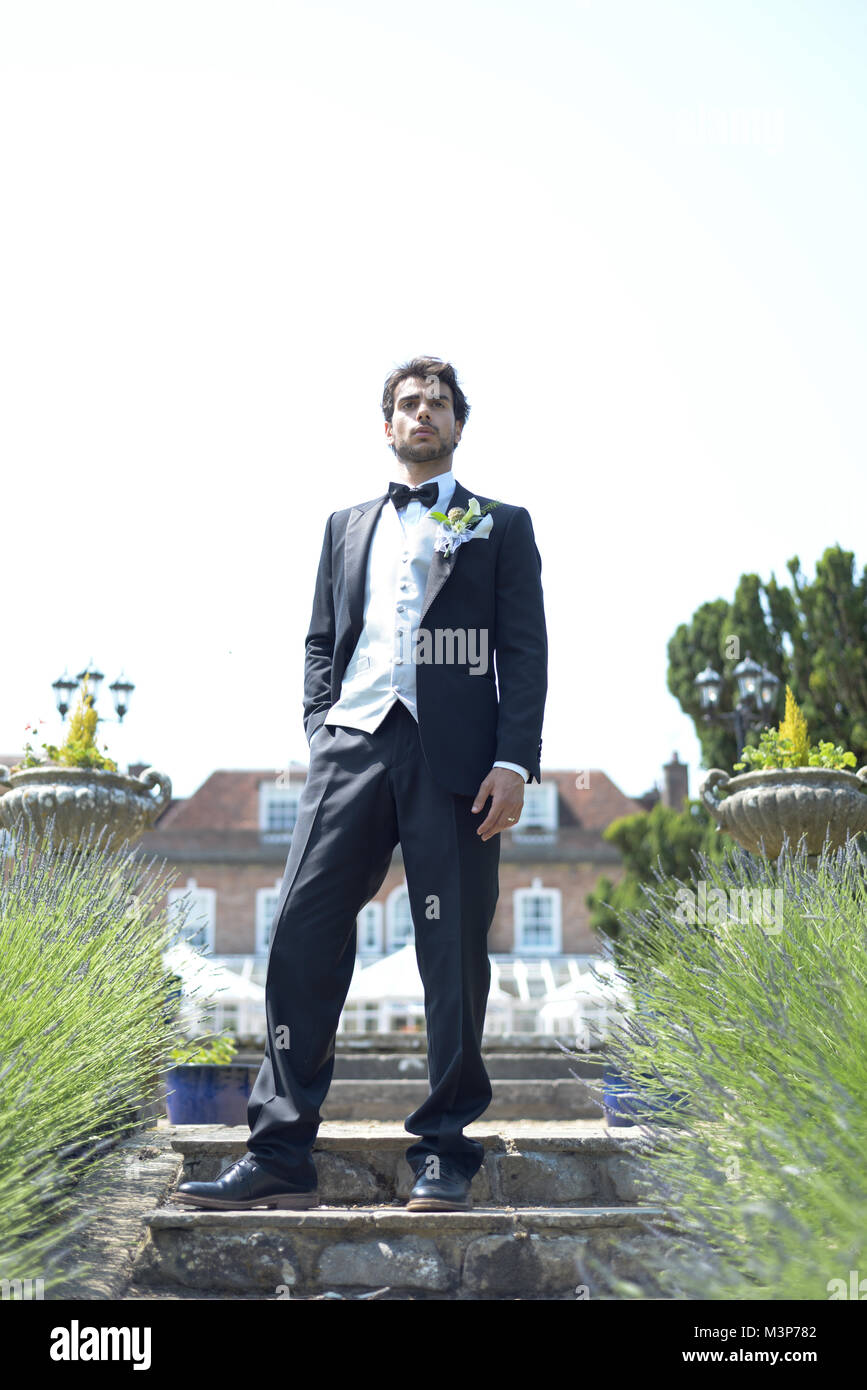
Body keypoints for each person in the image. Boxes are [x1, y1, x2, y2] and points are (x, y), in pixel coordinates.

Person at [174, 355, 547, 1213]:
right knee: (301, 929)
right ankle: (278, 1151)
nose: (423, 414)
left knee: (450, 953)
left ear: (457, 426)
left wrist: (513, 760)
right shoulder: (343, 526)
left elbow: (523, 653)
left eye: (438, 405)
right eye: (408, 404)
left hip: (457, 764)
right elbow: (318, 640)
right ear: (386, 426)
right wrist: (321, 727)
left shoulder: (502, 524)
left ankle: (446, 1149)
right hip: (351, 747)